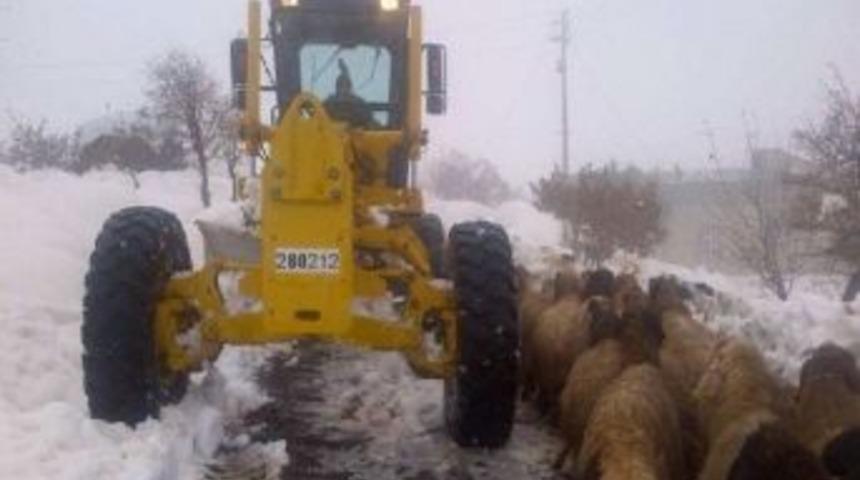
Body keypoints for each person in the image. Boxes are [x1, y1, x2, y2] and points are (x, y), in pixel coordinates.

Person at [323, 60, 377, 128]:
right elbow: (318, 117)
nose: (343, 89)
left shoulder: (359, 104)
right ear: (337, 87)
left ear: (350, 87)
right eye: (341, 85)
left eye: (346, 86)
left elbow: (369, 121)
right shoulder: (329, 104)